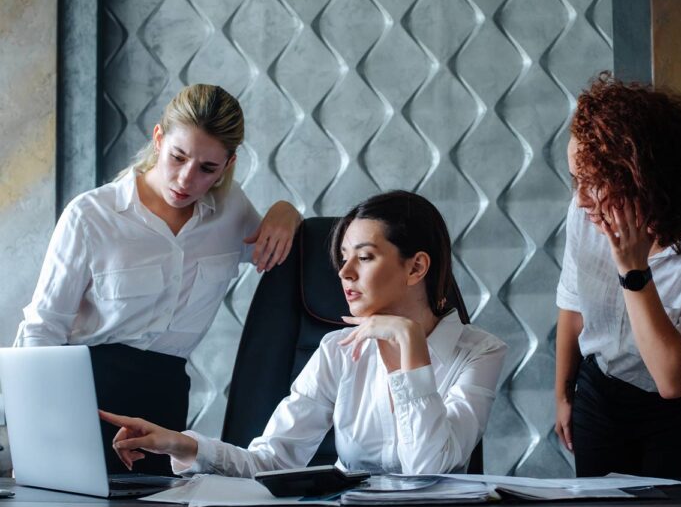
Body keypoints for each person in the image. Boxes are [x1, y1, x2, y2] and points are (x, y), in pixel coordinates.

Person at [100, 190, 508, 476]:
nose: (345, 273)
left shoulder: (480, 352)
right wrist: (180, 443)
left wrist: (410, 345)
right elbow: (271, 461)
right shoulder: (337, 349)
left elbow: (429, 471)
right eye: (343, 258)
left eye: (364, 257)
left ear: (416, 267)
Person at [15, 84, 302, 475]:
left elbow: (275, 250)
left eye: (207, 169)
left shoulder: (232, 210)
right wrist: (33, 434)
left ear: (229, 164)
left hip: (165, 404)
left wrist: (287, 212)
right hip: (84, 397)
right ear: (158, 138)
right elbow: (43, 327)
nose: (186, 179)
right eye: (178, 157)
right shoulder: (91, 215)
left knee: (157, 500)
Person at [554, 73, 681, 477]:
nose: (580, 200)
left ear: (642, 180)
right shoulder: (586, 214)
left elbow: (671, 381)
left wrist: (633, 271)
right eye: (577, 180)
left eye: (593, 183)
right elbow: (573, 304)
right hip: (601, 393)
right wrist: (563, 393)